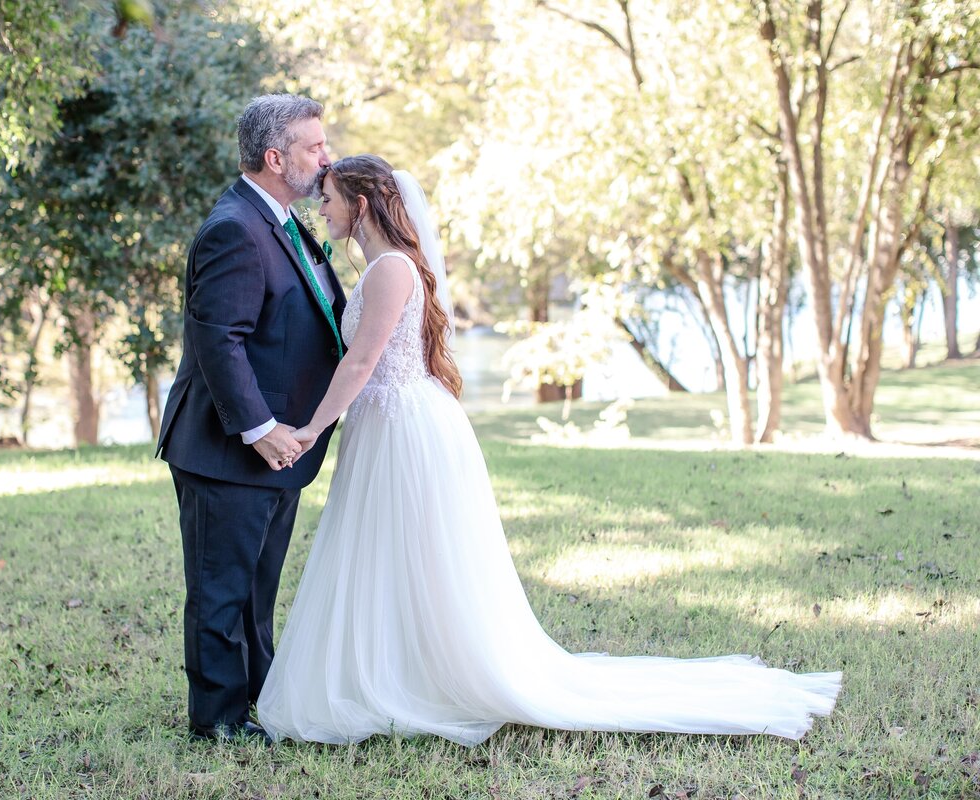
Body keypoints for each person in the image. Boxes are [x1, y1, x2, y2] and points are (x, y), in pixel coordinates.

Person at [254, 155, 841, 746]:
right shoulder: (389, 265)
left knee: (408, 550)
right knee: (389, 553)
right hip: (392, 421)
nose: (320, 208)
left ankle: (414, 679)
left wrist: (307, 431)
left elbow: (361, 362)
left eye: (327, 197)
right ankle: (400, 672)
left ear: (359, 204)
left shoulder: (388, 271)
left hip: (402, 426)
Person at [155, 94, 346, 743]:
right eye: (315, 147)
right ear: (275, 156)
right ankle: (217, 722)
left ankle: (259, 700)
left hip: (278, 448)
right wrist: (262, 430)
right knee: (220, 591)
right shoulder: (234, 227)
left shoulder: (284, 223)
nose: (328, 157)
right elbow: (219, 338)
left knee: (257, 592)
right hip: (229, 448)